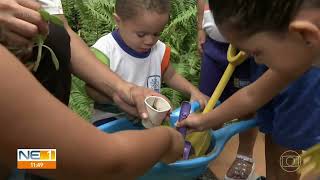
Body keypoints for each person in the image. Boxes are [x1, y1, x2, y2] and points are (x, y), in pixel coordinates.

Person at [0, 0, 184, 179]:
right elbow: (102, 162)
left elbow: (61, 33)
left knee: (32, 160)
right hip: (23, 150)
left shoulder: (21, 150)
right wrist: (167, 140)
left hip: (20, 153)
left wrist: (122, 89)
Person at [178, 0, 320, 179]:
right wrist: (203, 121)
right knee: (276, 144)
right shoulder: (298, 52)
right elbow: (253, 94)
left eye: (257, 52)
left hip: (300, 114)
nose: (257, 62)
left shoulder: (298, 62)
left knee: (289, 155)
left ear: (304, 34)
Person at [86, 0, 208, 116]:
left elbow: (171, 75)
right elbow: (91, 90)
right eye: (141, 34)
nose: (150, 41)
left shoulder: (158, 50)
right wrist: (122, 98)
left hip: (150, 118)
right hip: (112, 119)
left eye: (156, 34)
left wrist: (193, 91)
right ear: (118, 21)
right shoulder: (105, 51)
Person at [197, 0, 257, 179]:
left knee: (246, 109)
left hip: (246, 51)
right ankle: (207, 147)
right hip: (213, 48)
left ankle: (244, 157)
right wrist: (201, 27)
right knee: (207, 100)